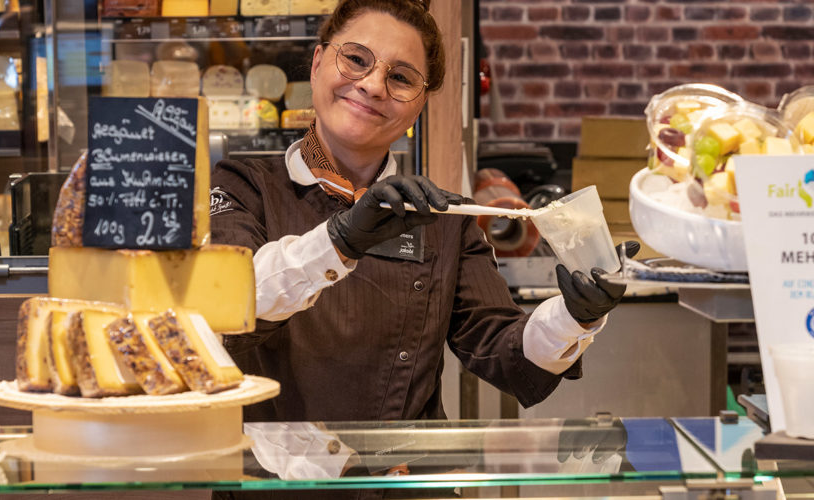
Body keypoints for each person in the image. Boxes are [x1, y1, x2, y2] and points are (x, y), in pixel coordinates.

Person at [210, 0, 638, 424]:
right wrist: (339, 240)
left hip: (401, 481)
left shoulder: (443, 217)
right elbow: (228, 306)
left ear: (421, 103)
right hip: (268, 482)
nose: (374, 85)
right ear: (318, 62)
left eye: (400, 77)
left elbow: (499, 347)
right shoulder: (242, 185)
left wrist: (574, 317)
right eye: (356, 59)